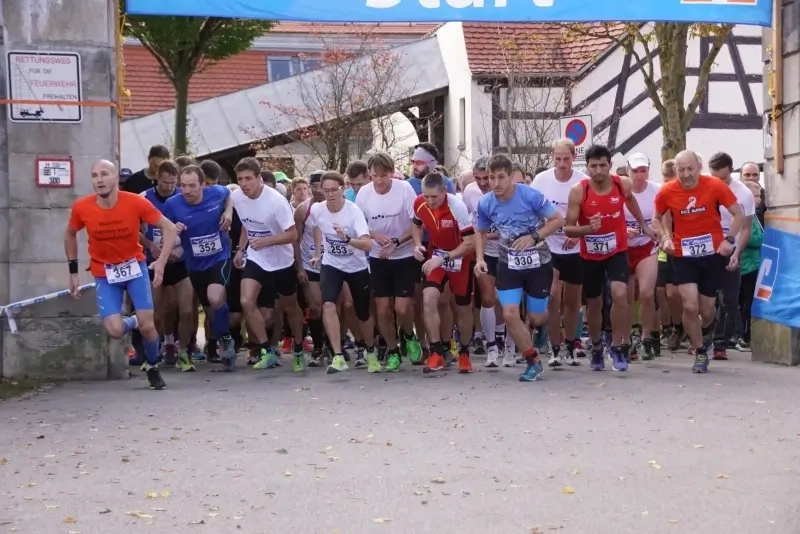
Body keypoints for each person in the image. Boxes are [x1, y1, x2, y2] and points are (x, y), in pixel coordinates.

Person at [65, 159, 178, 390]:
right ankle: (136, 319)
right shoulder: (82, 207)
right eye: (95, 176)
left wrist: (161, 262)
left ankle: (153, 366)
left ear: (116, 178)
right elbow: (69, 234)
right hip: (105, 273)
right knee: (115, 330)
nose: (99, 180)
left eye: (104, 174)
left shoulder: (135, 202)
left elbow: (169, 227)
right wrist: (73, 272)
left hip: (134, 268)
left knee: (149, 327)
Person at [652, 150, 745, 373]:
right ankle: (700, 352)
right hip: (684, 256)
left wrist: (729, 240)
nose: (686, 174)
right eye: (681, 170)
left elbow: (738, 214)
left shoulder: (714, 185)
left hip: (712, 254)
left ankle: (706, 328)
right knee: (690, 305)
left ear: (699, 167)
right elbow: (656, 218)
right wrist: (665, 237)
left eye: (690, 168)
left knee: (708, 309)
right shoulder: (667, 191)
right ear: (675, 171)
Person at [564, 144, 656, 372]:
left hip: (617, 250)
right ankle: (596, 346)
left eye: (602, 165)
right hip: (591, 254)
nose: (597, 170)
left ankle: (618, 346)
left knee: (620, 294)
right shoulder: (579, 190)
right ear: (586, 167)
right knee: (594, 303)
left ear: (610, 166)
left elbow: (631, 203)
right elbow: (568, 228)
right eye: (593, 166)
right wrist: (587, 229)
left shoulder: (621, 183)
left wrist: (644, 225)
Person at [475, 154, 565, 382]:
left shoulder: (530, 196)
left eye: (501, 177)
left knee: (537, 316)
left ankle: (541, 327)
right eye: (491, 177)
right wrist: (480, 258)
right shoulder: (485, 202)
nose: (495, 183)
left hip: (538, 262)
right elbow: (481, 231)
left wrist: (533, 237)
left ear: (511, 178)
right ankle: (532, 360)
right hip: (509, 263)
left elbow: (557, 220)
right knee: (509, 313)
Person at [232, 157, 307, 372]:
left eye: (248, 179)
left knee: (289, 306)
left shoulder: (275, 201)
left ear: (259, 179)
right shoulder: (237, 197)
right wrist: (240, 248)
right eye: (240, 179)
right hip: (256, 257)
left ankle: (299, 348)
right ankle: (266, 350)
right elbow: (248, 223)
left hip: (281, 260)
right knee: (246, 301)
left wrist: (266, 241)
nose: (244, 184)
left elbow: (292, 235)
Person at [163, 165, 237, 371]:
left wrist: (229, 212)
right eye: (183, 186)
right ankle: (224, 337)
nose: (187, 191)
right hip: (194, 263)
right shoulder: (173, 204)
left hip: (219, 257)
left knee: (215, 298)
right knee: (211, 311)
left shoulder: (216, 193)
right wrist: (173, 228)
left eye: (192, 186)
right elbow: (163, 225)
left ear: (203, 185)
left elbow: (229, 194)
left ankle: (226, 340)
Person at [356, 151, 423, 371]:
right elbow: (358, 224)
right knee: (382, 308)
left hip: (402, 254)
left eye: (383, 175)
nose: (379, 181)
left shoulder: (404, 190)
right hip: (377, 256)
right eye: (375, 176)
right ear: (369, 175)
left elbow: (415, 222)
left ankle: (409, 336)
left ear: (392, 173)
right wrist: (375, 236)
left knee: (403, 308)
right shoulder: (364, 194)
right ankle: (393, 350)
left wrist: (395, 242)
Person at [307, 171, 378, 373]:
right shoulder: (317, 210)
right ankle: (338, 356)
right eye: (326, 190)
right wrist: (318, 252)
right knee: (328, 304)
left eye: (335, 190)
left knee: (362, 312)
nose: (330, 194)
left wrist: (347, 239)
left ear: (342, 189)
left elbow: (367, 244)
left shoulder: (353, 212)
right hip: (332, 264)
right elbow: (317, 227)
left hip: (356, 267)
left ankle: (370, 350)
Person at [412, 172, 476, 374]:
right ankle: (436, 351)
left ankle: (464, 353)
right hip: (436, 255)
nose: (429, 201)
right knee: (428, 298)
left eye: (434, 197)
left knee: (463, 307)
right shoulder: (419, 203)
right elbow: (416, 225)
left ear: (444, 192)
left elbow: (471, 243)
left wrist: (446, 257)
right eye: (426, 196)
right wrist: (416, 245)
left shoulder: (456, 206)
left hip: (460, 257)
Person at [532, 139, 589, 367]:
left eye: (566, 159)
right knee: (553, 297)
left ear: (574, 157)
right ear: (552, 158)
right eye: (558, 159)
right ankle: (555, 349)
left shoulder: (583, 181)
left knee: (573, 301)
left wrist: (577, 234)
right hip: (550, 246)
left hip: (575, 248)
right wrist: (542, 230)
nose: (562, 164)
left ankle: (571, 344)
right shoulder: (541, 180)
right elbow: (532, 210)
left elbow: (591, 214)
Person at [139, 160, 195, 370]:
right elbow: (133, 230)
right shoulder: (144, 198)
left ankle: (182, 353)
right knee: (156, 311)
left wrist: (180, 246)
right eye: (165, 182)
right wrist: (150, 244)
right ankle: (157, 351)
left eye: (173, 182)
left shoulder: (184, 195)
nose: (170, 187)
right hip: (154, 262)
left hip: (180, 261)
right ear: (157, 178)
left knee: (187, 310)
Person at [708, 152, 755, 361]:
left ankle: (720, 343)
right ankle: (702, 339)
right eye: (715, 178)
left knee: (728, 298)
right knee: (705, 297)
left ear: (731, 171)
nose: (719, 183)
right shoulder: (705, 187)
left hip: (731, 244)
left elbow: (746, 228)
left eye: (723, 179)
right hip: (706, 245)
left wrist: (736, 253)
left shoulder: (743, 194)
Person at [463, 157, 507, 367]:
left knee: (507, 300)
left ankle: (504, 338)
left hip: (509, 252)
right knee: (487, 298)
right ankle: (491, 346)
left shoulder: (506, 191)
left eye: (486, 178)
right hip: (485, 252)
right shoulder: (470, 192)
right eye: (478, 178)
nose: (482, 183)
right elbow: (466, 222)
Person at [624, 152, 661, 360]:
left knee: (647, 293)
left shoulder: (657, 191)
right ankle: (628, 338)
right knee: (625, 298)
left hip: (647, 247)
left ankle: (646, 338)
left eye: (643, 171)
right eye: (635, 171)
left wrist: (661, 232)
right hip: (623, 248)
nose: (639, 176)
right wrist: (622, 229)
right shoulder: (618, 191)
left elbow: (664, 217)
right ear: (627, 170)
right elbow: (609, 218)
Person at [295, 170, 328, 366]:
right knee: (315, 307)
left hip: (334, 264)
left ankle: (334, 346)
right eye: (313, 186)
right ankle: (317, 347)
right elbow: (295, 240)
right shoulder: (302, 210)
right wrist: (299, 267)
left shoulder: (339, 207)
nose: (317, 191)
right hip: (310, 264)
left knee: (333, 307)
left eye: (320, 187)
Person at [655, 159, 684, 351]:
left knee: (674, 293)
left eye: (671, 180)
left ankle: (679, 327)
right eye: (666, 180)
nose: (669, 184)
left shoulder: (684, 195)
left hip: (681, 249)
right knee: (659, 291)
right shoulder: (660, 195)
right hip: (663, 249)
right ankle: (667, 327)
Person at [738, 179, 763, 351]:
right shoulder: (744, 215)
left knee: (749, 302)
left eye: (759, 195)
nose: (758, 199)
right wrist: (765, 238)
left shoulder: (754, 215)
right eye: (754, 196)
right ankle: (744, 336)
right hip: (747, 266)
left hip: (754, 264)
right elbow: (751, 239)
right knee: (746, 303)